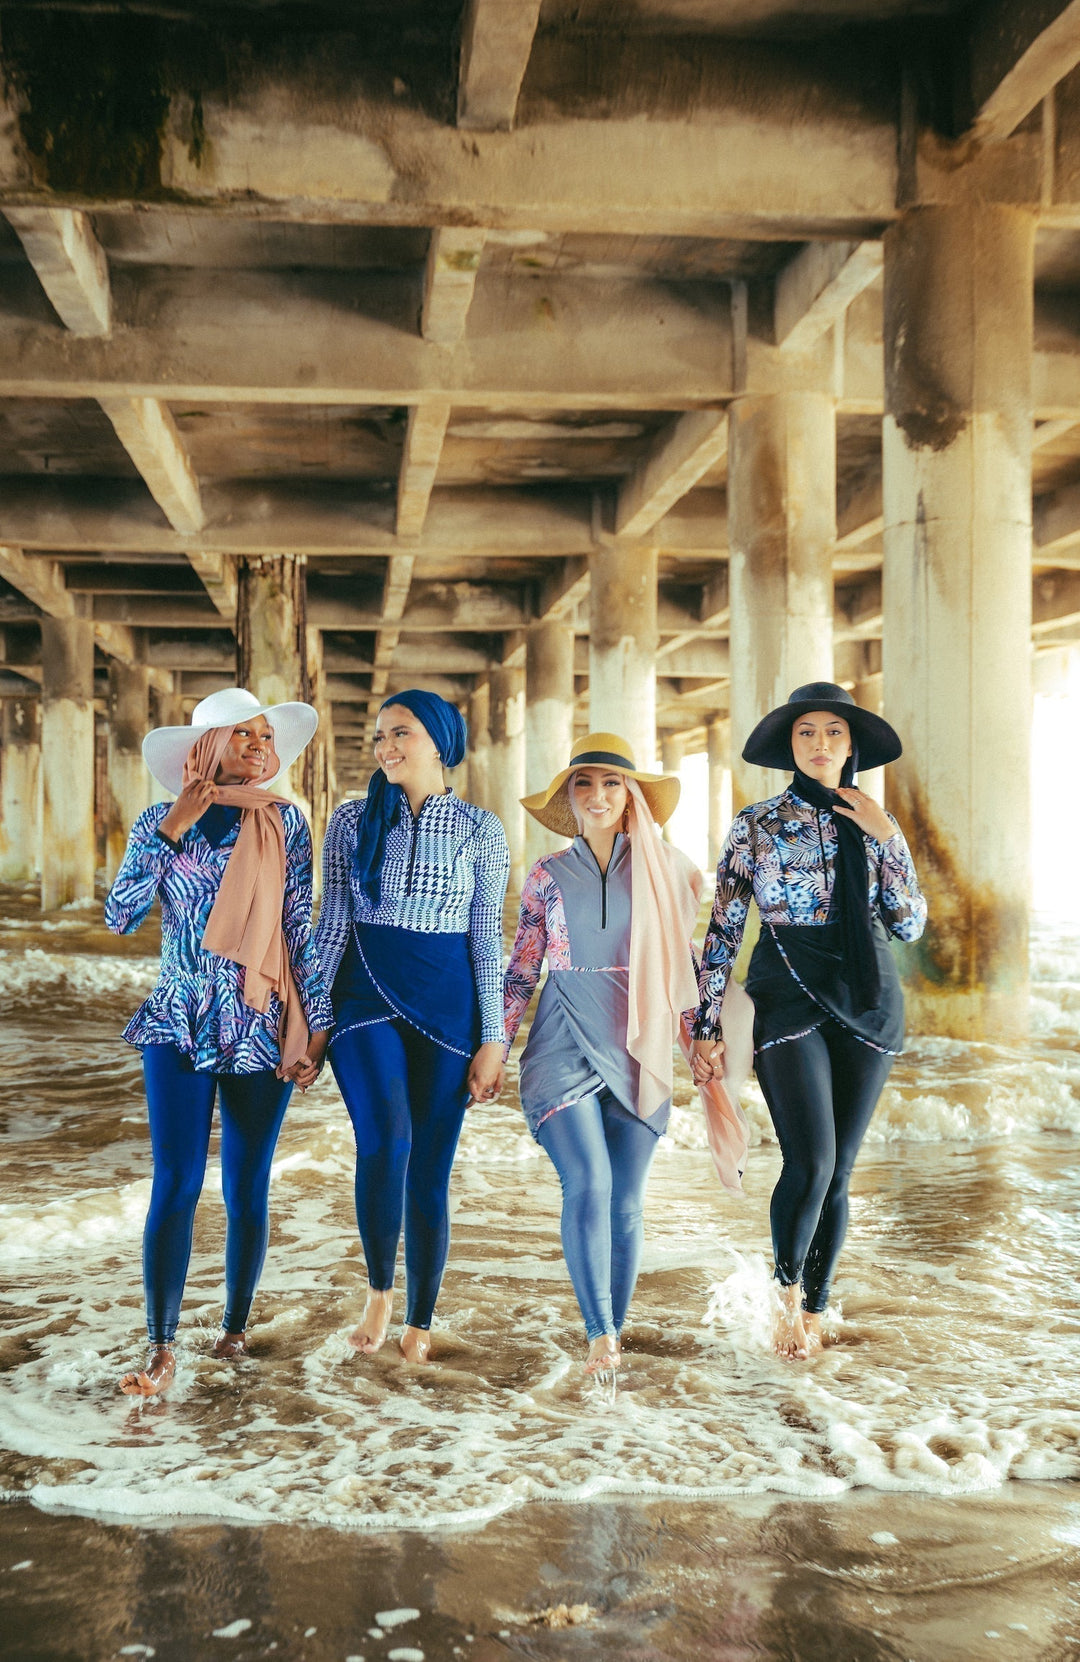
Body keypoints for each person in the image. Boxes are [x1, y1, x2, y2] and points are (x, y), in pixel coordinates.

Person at [689, 683, 927, 1360]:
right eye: (806, 734)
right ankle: (785, 1299)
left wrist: (885, 839)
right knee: (811, 1160)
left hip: (869, 994)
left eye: (833, 733)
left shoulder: (879, 822)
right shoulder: (756, 824)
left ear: (851, 746)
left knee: (842, 1170)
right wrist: (707, 1023)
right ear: (790, 746)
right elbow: (724, 930)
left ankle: (817, 1311)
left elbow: (908, 925)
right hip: (786, 990)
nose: (820, 745)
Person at [106, 687, 332, 1396]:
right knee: (175, 1182)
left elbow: (299, 928)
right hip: (178, 1018)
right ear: (207, 748)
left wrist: (313, 1025)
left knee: (246, 1184)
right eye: (245, 736)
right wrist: (172, 826)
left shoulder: (283, 824)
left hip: (257, 1021)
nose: (261, 748)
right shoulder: (159, 822)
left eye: (267, 737)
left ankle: (234, 1329)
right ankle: (161, 1344)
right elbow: (119, 916)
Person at [503, 732, 747, 1376]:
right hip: (561, 1038)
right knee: (588, 1180)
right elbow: (523, 968)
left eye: (612, 782)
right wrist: (493, 1044)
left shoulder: (671, 872)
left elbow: (685, 963)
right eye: (585, 784)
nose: (600, 795)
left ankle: (615, 1334)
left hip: (640, 1041)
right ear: (570, 799)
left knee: (628, 1200)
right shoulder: (546, 877)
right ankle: (600, 1337)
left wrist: (702, 1033)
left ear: (632, 792)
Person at [310, 690, 510, 1365]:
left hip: (449, 1009)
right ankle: (378, 1292)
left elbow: (488, 939)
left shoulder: (482, 830)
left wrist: (495, 1037)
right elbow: (331, 923)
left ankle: (421, 1317)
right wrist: (312, 1021)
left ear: (440, 742)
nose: (386, 747)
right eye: (379, 737)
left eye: (400, 733)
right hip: (363, 991)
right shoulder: (350, 822)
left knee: (429, 1169)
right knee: (387, 1139)